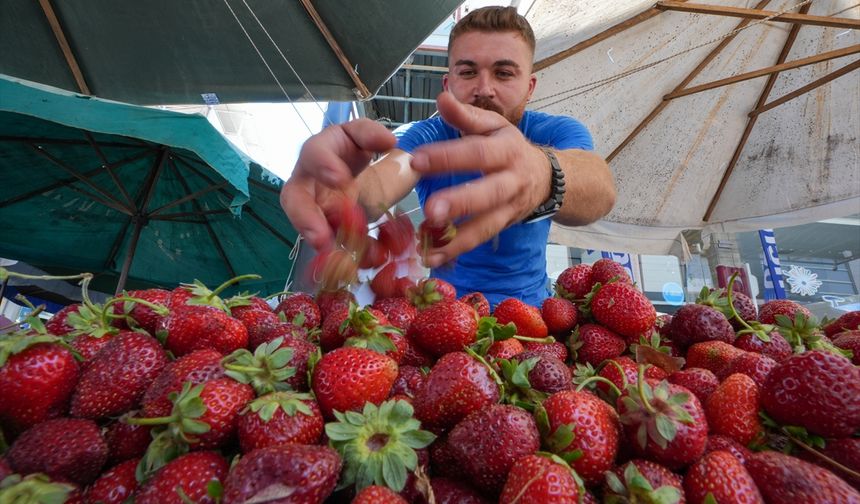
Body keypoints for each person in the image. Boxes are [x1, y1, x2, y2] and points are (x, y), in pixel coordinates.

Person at [281, 6, 616, 308]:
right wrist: (340, 188)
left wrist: (542, 174)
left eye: (503, 73)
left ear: (529, 87)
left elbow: (598, 188)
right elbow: (386, 179)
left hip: (533, 318)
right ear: (448, 84)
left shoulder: (554, 134)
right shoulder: (427, 137)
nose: (484, 89)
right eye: (468, 72)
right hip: (444, 315)